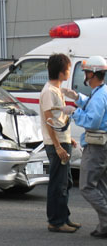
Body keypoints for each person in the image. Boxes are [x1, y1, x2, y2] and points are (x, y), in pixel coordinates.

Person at [61, 55, 107, 239]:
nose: (85, 77)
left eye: (87, 73)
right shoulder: (101, 91)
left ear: (94, 74)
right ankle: (104, 227)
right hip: (102, 147)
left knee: (87, 186)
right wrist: (77, 97)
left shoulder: (99, 96)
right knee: (102, 187)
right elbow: (92, 104)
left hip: (96, 147)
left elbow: (93, 121)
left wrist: (74, 112)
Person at [39, 53, 80, 233]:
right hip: (56, 144)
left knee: (66, 181)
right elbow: (49, 120)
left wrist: (67, 138)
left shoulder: (56, 90)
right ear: (62, 72)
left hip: (62, 141)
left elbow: (58, 119)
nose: (69, 72)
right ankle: (56, 221)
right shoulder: (49, 91)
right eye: (68, 69)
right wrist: (57, 145)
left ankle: (64, 217)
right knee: (58, 183)